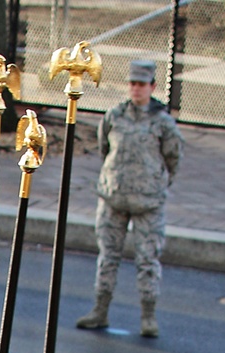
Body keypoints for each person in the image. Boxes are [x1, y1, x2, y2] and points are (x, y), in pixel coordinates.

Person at [76, 58, 183, 338]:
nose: (136, 89)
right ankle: (100, 310)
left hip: (148, 202)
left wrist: (158, 183)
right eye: (133, 84)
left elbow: (173, 158)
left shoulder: (163, 123)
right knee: (108, 257)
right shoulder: (114, 116)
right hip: (114, 198)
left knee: (148, 260)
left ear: (152, 87)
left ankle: (148, 316)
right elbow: (103, 148)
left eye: (142, 84)